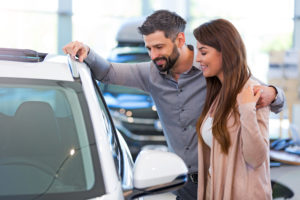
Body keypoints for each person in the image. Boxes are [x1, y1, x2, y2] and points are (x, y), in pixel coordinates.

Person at [63, 10, 284, 200]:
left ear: (179, 40)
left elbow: (256, 93)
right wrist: (88, 53)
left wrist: (273, 93)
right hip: (185, 183)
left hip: (220, 180)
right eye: (149, 48)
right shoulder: (151, 73)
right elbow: (109, 72)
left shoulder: (211, 70)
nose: (154, 55)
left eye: (159, 47)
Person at [194, 19, 272, 200]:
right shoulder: (217, 93)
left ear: (225, 52)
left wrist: (246, 109)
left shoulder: (252, 92)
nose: (198, 58)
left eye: (203, 52)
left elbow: (256, 158)